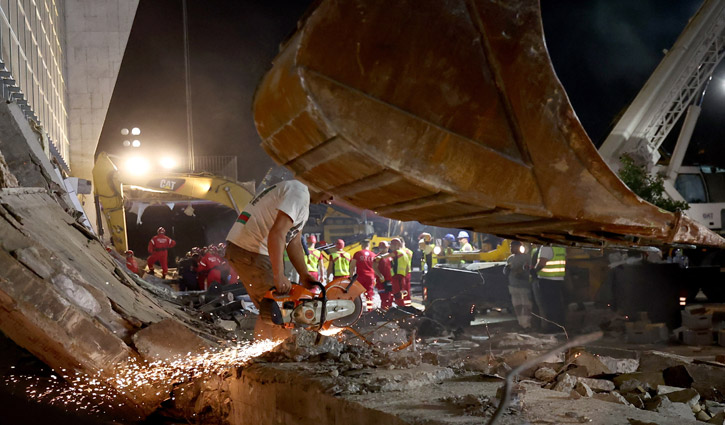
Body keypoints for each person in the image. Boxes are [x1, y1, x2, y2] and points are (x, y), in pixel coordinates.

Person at [224, 180, 332, 340]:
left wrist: (304, 274)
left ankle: (269, 351)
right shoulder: (298, 192)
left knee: (269, 307)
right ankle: (282, 351)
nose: (330, 200)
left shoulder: (299, 196)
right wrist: (278, 275)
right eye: (331, 193)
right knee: (281, 307)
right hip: (252, 250)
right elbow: (277, 233)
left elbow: (293, 241)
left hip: (247, 249)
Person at [531, 244, 567, 333]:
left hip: (547, 280)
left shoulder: (546, 247)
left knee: (549, 306)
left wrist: (533, 271)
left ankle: (552, 328)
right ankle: (560, 327)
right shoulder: (560, 247)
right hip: (558, 278)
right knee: (557, 305)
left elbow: (542, 263)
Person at [503, 241, 533, 330]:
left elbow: (530, 269)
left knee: (526, 305)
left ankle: (527, 324)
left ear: (519, 247)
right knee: (517, 306)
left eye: (514, 247)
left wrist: (522, 273)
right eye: (511, 247)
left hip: (524, 285)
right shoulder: (510, 258)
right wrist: (506, 269)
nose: (511, 249)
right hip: (513, 286)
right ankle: (521, 323)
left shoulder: (526, 258)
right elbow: (505, 272)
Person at [351, 239, 377, 310]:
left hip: (360, 276)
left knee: (357, 294)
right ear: (369, 245)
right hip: (370, 277)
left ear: (362, 245)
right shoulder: (373, 255)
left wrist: (351, 276)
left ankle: (357, 310)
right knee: (369, 294)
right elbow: (376, 268)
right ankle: (370, 310)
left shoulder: (358, 253)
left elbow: (352, 266)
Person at [374, 241, 394, 309]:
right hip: (382, 281)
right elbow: (374, 267)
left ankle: (389, 310)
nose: (382, 249)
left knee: (390, 296)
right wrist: (380, 276)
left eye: (384, 247)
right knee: (384, 297)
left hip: (390, 280)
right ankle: (384, 310)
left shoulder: (390, 256)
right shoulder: (377, 257)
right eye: (381, 248)